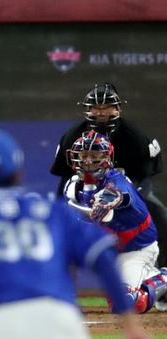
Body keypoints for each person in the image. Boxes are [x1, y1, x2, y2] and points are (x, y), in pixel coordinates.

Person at [0, 128, 149, 339]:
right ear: (19, 173)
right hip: (63, 320)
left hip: (1, 322)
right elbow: (102, 255)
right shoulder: (51, 210)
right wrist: (129, 323)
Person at [50, 82, 167, 267]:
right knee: (56, 223)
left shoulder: (135, 137)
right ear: (87, 110)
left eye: (107, 107)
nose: (101, 112)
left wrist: (127, 204)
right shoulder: (73, 136)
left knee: (160, 216)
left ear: (118, 108)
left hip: (128, 192)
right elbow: (64, 178)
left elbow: (144, 178)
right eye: (96, 107)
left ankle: (159, 270)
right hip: (85, 194)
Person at [63, 130, 167, 313]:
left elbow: (120, 193)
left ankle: (164, 278)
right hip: (110, 250)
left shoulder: (117, 181)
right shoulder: (74, 187)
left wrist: (109, 201)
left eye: (94, 155)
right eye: (83, 155)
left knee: (131, 304)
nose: (87, 161)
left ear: (106, 157)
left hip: (136, 248)